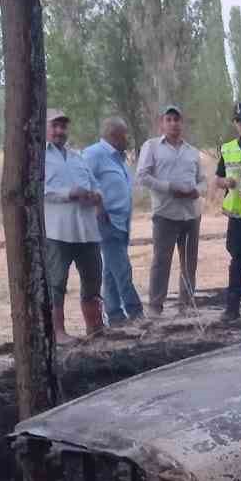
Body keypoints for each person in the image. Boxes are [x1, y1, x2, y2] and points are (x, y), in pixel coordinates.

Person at [135, 104, 205, 317]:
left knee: (189, 262)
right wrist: (169, 187)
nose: (174, 124)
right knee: (161, 261)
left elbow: (202, 180)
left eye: (177, 120)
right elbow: (142, 176)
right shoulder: (152, 146)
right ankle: (155, 306)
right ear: (162, 124)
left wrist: (196, 191)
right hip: (165, 214)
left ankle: (187, 305)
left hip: (191, 214)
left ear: (182, 123)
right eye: (169, 119)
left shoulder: (192, 151)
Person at [43, 108, 104, 344]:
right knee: (56, 283)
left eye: (63, 126)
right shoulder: (38, 157)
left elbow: (94, 183)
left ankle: (95, 329)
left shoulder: (77, 157)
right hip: (58, 231)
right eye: (55, 126)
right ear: (44, 128)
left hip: (87, 229)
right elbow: (39, 190)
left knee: (93, 280)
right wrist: (69, 193)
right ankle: (58, 333)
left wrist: (97, 195)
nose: (60, 131)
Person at [83, 116, 143, 327]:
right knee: (122, 268)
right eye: (125, 134)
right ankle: (136, 312)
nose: (128, 138)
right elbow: (84, 180)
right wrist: (97, 206)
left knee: (110, 270)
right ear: (114, 134)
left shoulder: (118, 157)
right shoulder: (94, 154)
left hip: (121, 220)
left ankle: (115, 315)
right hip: (106, 220)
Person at [214, 100, 241, 323]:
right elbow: (217, 178)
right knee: (237, 259)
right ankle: (232, 306)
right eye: (238, 121)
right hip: (238, 213)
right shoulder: (228, 148)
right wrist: (225, 182)